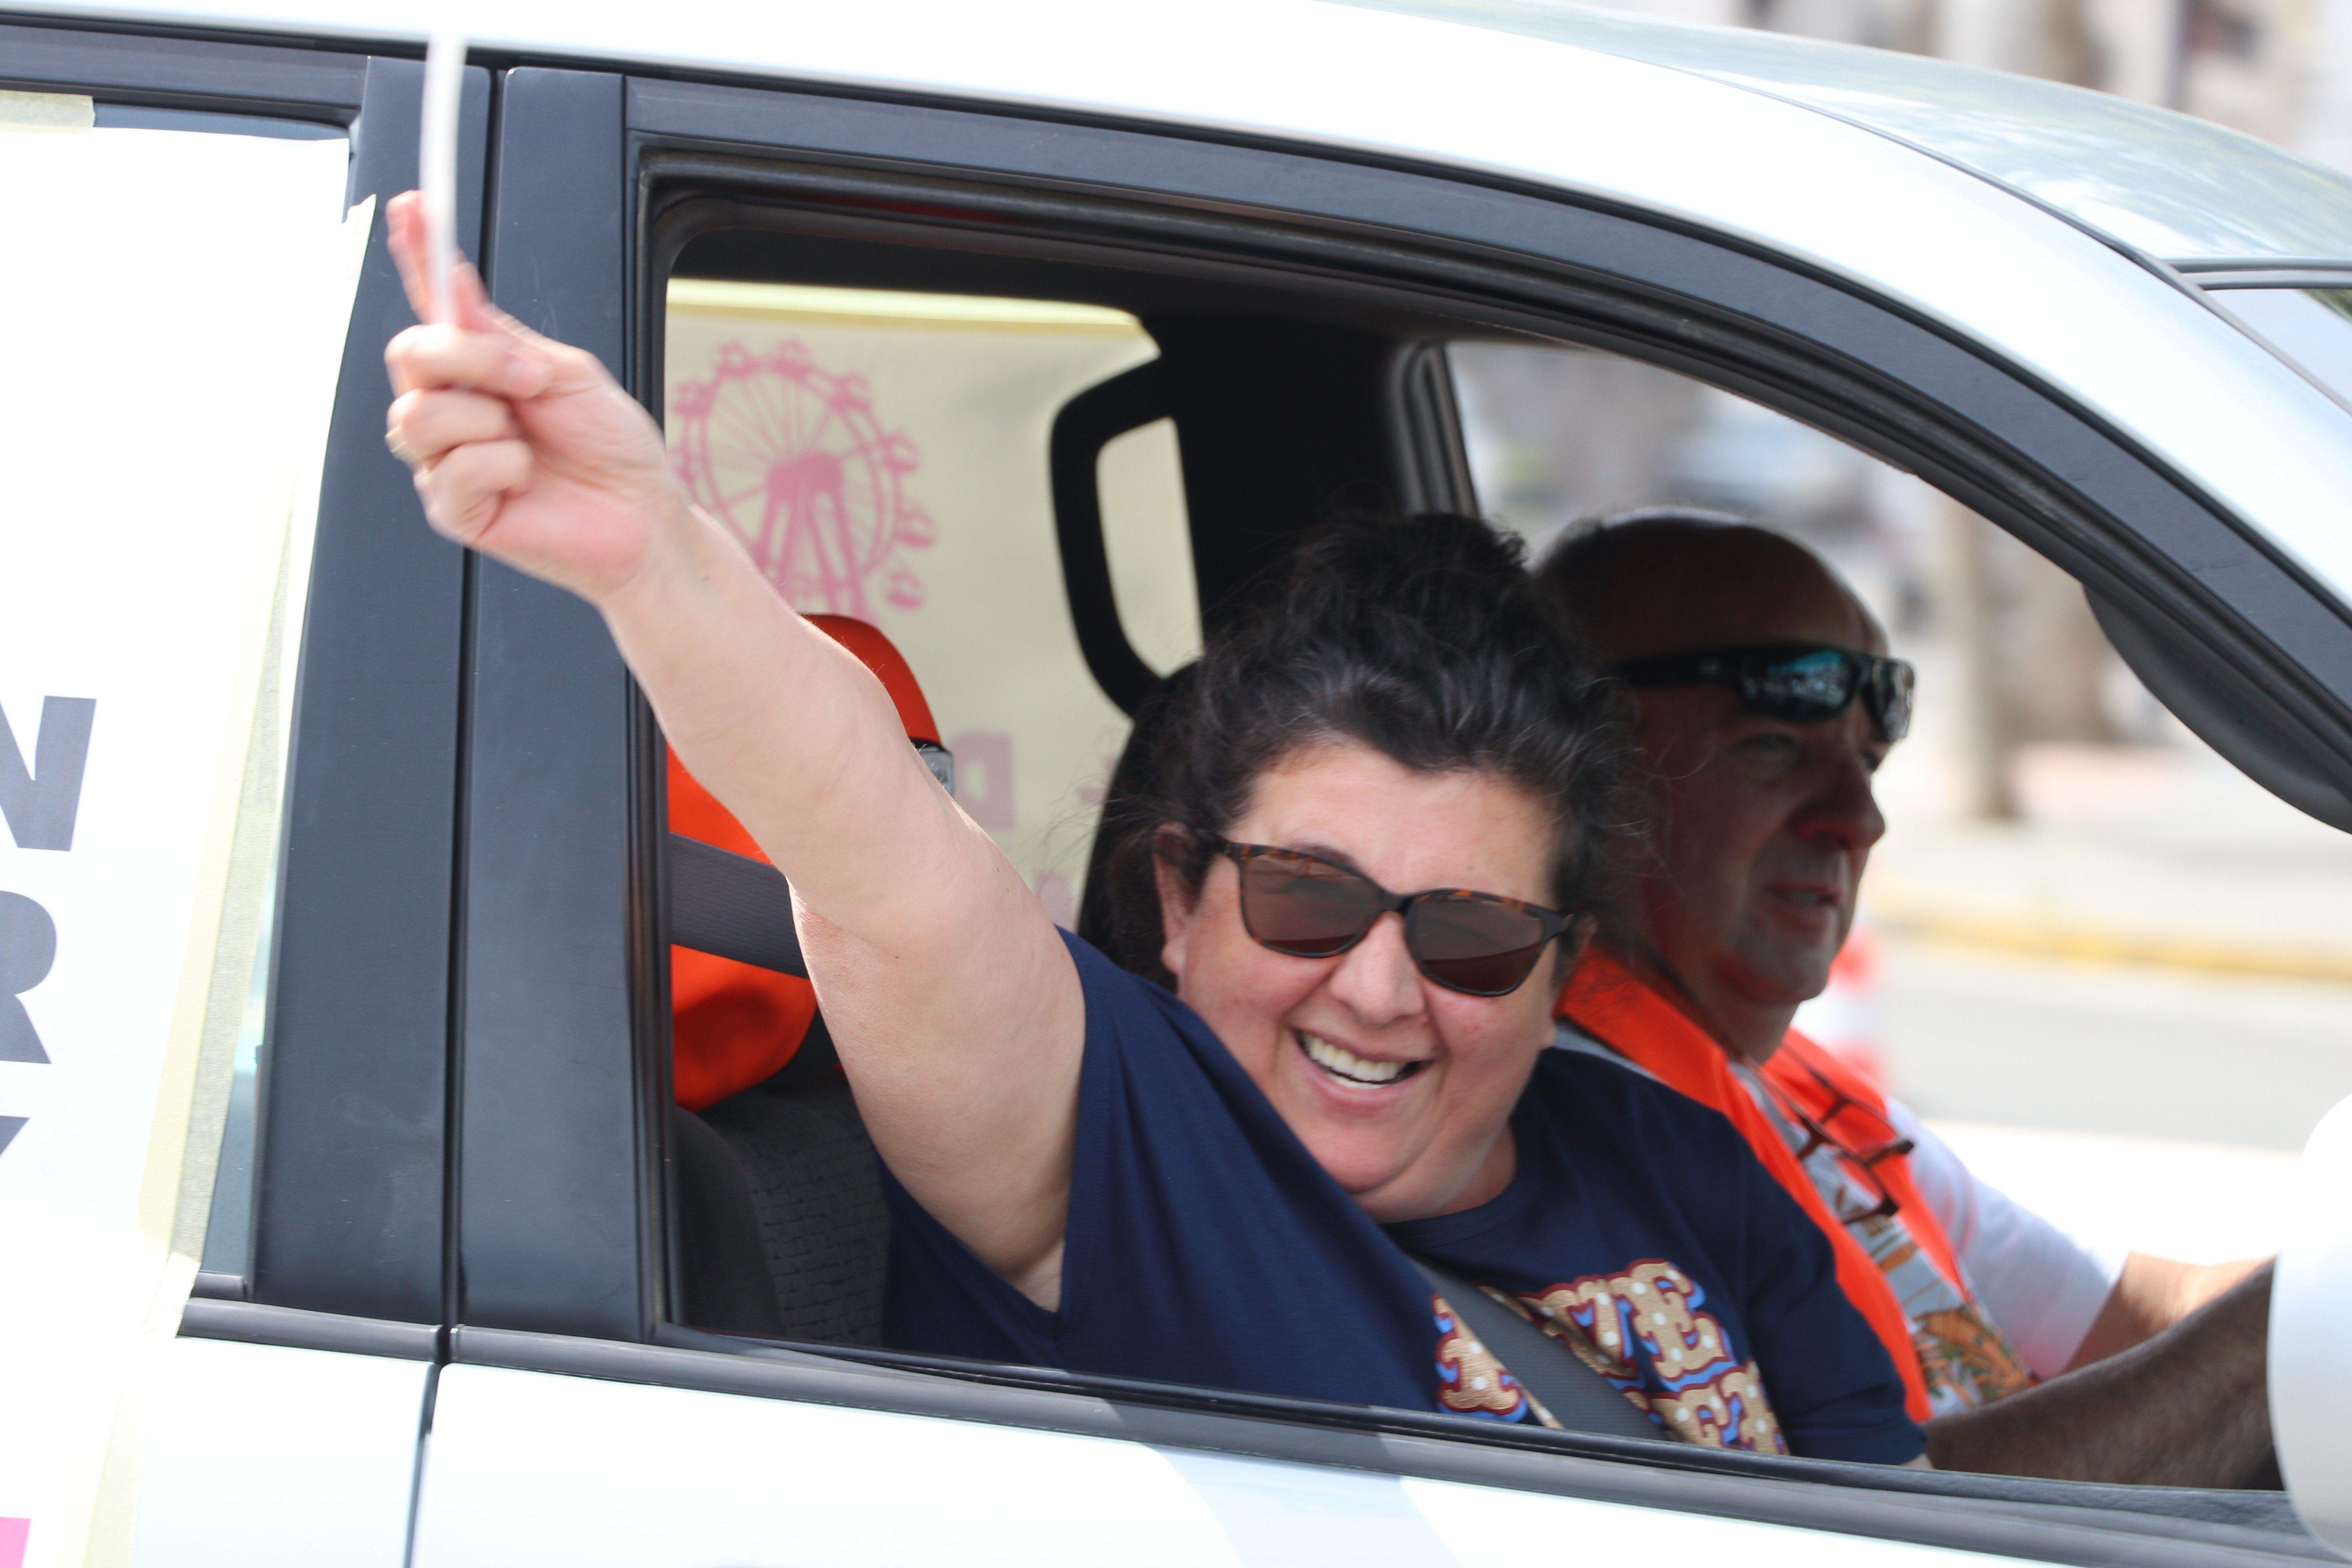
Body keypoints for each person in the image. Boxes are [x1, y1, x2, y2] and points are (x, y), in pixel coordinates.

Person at [377, 199, 1922, 1462]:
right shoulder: (1122, 1143)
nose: (1377, 991)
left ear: (1557, 965)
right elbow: (888, 876)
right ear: (1180, 894)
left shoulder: (1677, 1164)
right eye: (1309, 900)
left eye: (1466, 935)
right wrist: (658, 564)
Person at [1533, 509, 2273, 1486]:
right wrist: (2297, 1330)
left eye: (1867, 760)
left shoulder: (1799, 1095)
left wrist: (2308, 1297)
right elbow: (1895, 1507)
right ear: (1594, 770)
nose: (1861, 818)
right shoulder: (1583, 1127)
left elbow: (2144, 1310)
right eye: (1774, 747)